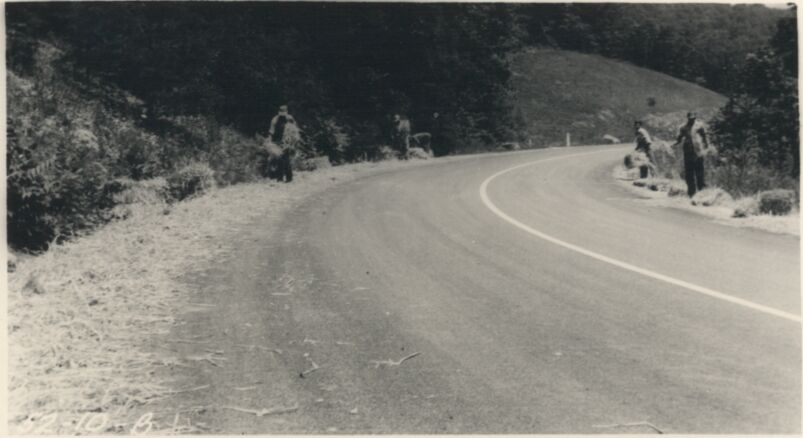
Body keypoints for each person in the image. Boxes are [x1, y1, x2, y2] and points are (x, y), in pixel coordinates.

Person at [673, 111, 710, 197]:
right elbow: (679, 138)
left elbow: (705, 137)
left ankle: (701, 191)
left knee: (699, 172)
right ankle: (691, 193)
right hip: (688, 152)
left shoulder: (700, 126)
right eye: (690, 119)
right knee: (689, 173)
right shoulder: (683, 127)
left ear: (695, 118)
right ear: (688, 118)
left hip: (698, 151)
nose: (692, 120)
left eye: (693, 118)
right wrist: (674, 144)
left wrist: (707, 147)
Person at [268, 105, 296, 182]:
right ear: (279, 112)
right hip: (277, 141)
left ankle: (289, 178)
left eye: (284, 112)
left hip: (287, 142)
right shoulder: (275, 120)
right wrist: (270, 141)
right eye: (281, 112)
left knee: (286, 159)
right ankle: (280, 178)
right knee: (279, 159)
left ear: (286, 112)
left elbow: (294, 130)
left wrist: (292, 142)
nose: (282, 114)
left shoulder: (290, 118)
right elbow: (271, 131)